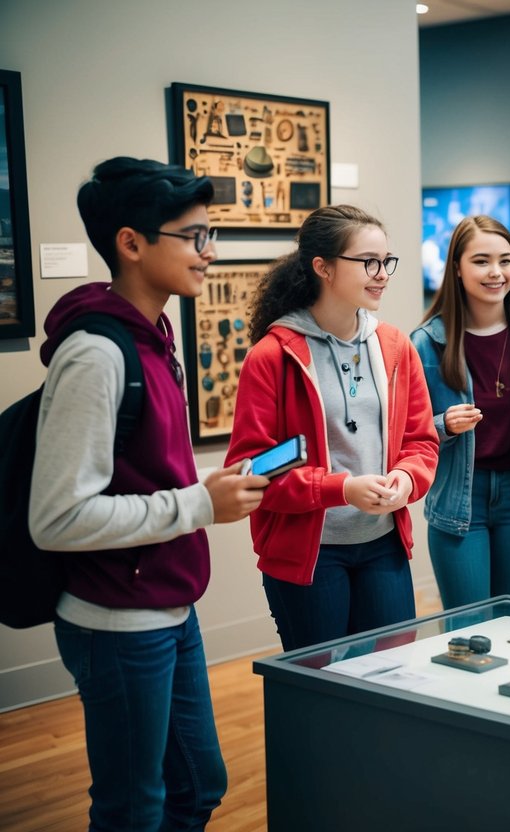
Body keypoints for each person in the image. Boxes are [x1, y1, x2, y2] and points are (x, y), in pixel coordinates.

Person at [30, 157, 268, 830]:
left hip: (167, 603)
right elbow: (58, 518)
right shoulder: (97, 356)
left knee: (196, 786)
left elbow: (140, 473)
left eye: (209, 232)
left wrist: (202, 493)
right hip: (117, 620)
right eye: (193, 236)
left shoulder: (158, 336)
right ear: (131, 244)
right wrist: (199, 505)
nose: (209, 251)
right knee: (134, 805)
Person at [225, 205, 439, 651]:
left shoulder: (396, 346)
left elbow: (421, 442)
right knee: (320, 688)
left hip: (383, 544)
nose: (382, 274)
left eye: (386, 262)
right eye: (368, 262)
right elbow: (251, 470)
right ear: (322, 267)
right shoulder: (272, 356)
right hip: (310, 553)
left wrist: (405, 478)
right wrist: (339, 489)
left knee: (394, 678)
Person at [411, 216, 510, 608]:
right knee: (467, 628)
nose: (496, 272)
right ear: (456, 268)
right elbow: (408, 432)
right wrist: (444, 425)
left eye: (505, 260)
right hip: (460, 495)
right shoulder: (426, 342)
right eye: (481, 261)